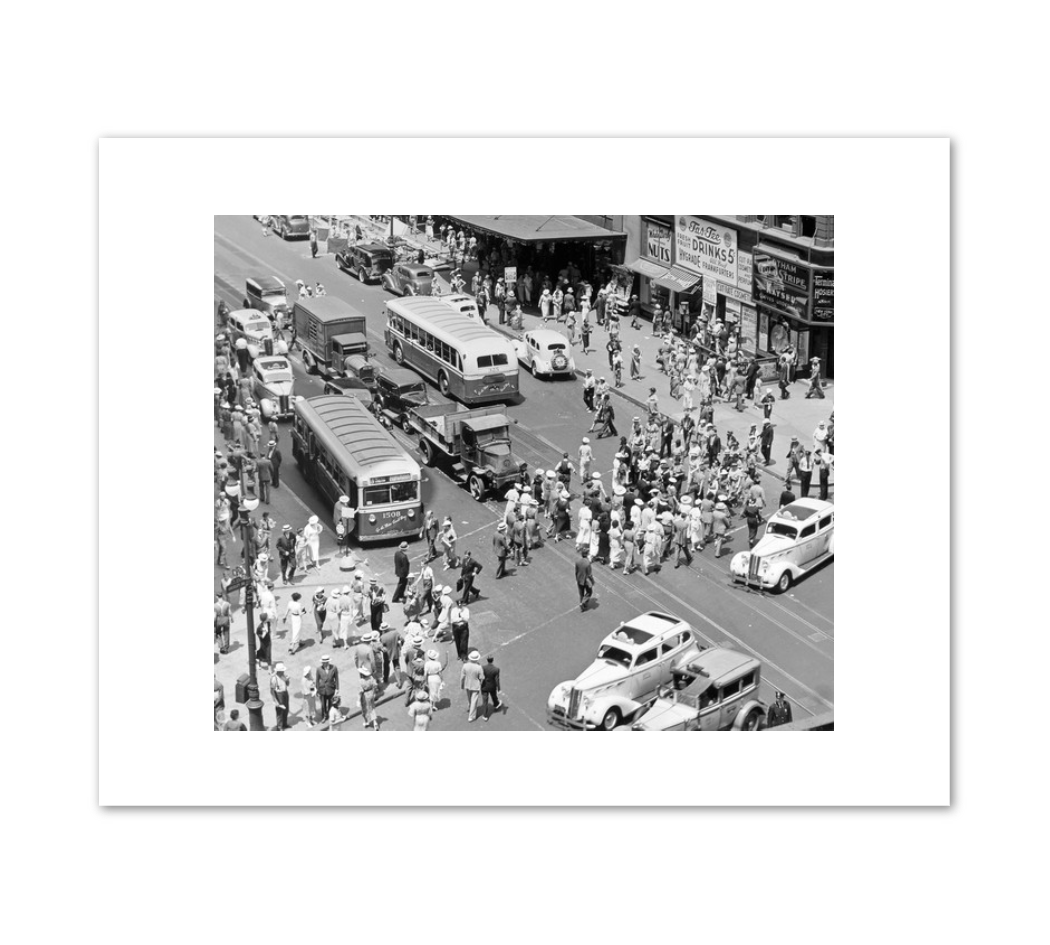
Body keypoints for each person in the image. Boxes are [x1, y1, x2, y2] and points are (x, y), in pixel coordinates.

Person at [461, 650, 484, 722]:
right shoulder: (479, 667)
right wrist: (481, 684)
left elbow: (462, 677)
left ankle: (471, 707)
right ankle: (471, 716)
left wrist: (462, 685)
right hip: (475, 685)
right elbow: (482, 678)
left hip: (467, 684)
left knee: (469, 698)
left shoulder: (465, 666)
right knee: (474, 700)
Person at [480, 655, 502, 721]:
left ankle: (485, 715)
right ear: (492, 660)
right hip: (492, 686)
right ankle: (496, 704)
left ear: (487, 660)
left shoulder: (483, 667)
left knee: (485, 701)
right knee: (494, 696)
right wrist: (499, 689)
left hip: (484, 686)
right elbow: (497, 680)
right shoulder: (496, 669)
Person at [270, 662, 290, 731]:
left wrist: (287, 680)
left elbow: (287, 684)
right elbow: (272, 691)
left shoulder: (283, 676)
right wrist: (275, 700)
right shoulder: (274, 679)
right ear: (279, 671)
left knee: (286, 709)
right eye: (282, 671)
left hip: (285, 693)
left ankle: (284, 724)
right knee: (280, 712)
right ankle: (279, 727)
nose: (283, 671)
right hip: (279, 695)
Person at [358, 666, 379, 730]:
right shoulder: (371, 678)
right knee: (372, 708)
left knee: (364, 709)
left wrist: (358, 699)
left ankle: (367, 721)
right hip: (371, 694)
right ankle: (374, 723)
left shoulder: (361, 681)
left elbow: (360, 691)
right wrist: (374, 692)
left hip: (365, 696)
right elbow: (375, 685)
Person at [575, 547, 594, 612]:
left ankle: (582, 605)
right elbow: (589, 574)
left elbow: (576, 571)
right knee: (589, 592)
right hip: (586, 580)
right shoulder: (587, 563)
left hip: (579, 579)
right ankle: (583, 602)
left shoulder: (577, 561)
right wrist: (592, 581)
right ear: (587, 554)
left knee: (581, 593)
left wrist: (577, 578)